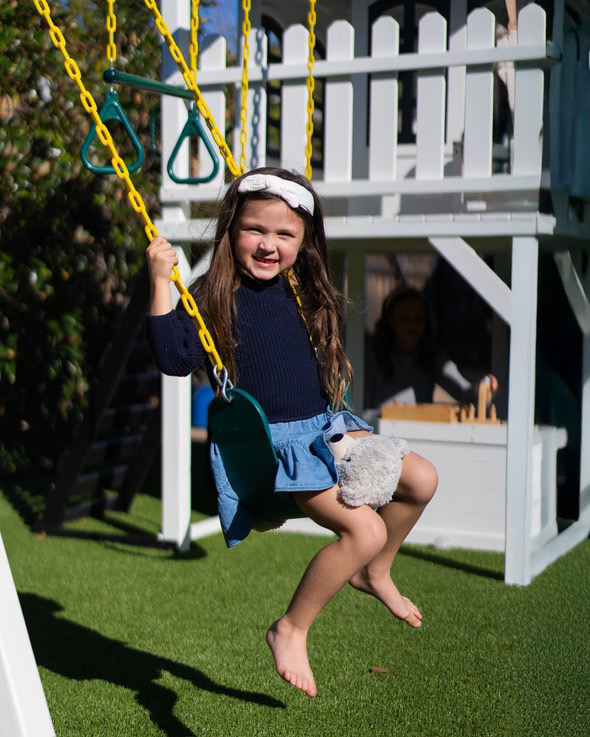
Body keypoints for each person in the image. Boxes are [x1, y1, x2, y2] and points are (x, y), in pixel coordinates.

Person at [145, 168, 438, 699]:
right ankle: (291, 628)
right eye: (255, 229)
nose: (268, 245)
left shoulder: (300, 286)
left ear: (303, 242)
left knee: (421, 479)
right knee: (364, 531)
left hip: (327, 428)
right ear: (231, 229)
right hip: (280, 451)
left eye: (285, 234)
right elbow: (172, 358)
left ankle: (375, 573)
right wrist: (161, 282)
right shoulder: (213, 295)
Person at [365, 286, 498, 410]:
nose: (413, 325)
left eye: (419, 318)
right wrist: (387, 414)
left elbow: (463, 392)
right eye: (404, 319)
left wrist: (483, 387)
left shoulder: (433, 357)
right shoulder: (372, 356)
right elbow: (361, 410)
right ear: (391, 320)